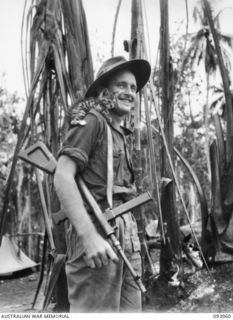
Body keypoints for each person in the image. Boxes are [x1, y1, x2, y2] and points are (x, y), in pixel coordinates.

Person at [54, 56, 151, 312]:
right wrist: (88, 237)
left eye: (133, 88)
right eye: (121, 85)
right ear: (103, 92)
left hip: (126, 235)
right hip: (97, 230)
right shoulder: (93, 120)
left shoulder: (121, 132)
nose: (129, 92)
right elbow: (62, 176)